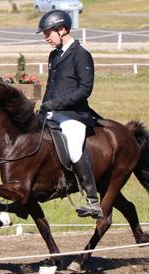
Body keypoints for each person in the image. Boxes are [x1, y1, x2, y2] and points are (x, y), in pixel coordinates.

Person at [37, 10, 103, 219]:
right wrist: (43, 108)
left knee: (74, 150)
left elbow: (85, 89)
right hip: (52, 112)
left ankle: (93, 201)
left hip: (73, 115)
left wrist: (56, 103)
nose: (46, 37)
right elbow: (51, 86)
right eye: (45, 34)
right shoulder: (54, 55)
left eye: (49, 33)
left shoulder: (81, 55)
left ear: (63, 29)